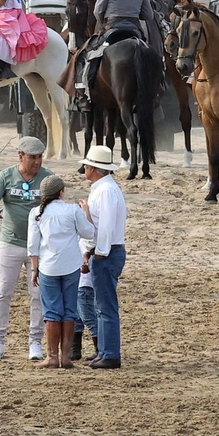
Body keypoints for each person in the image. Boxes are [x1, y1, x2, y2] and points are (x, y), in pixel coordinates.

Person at [0, 136, 51, 361]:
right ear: (21, 156)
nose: (37, 162)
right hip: (10, 241)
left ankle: (35, 341)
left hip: (39, 246)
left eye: (40, 157)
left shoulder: (48, 179)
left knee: (38, 294)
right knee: (3, 291)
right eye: (32, 157)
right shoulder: (6, 175)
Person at [27, 173, 96, 370]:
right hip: (71, 265)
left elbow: (32, 245)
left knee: (51, 311)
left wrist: (34, 269)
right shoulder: (72, 210)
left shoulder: (36, 213)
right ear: (61, 192)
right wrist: (86, 212)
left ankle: (52, 356)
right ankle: (66, 357)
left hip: (48, 266)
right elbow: (89, 233)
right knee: (69, 311)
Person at [80, 0, 157, 106]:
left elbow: (97, 11)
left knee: (89, 56)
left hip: (112, 29)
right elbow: (148, 15)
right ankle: (158, 88)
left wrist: (103, 24)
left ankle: (84, 93)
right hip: (135, 30)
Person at [79, 144, 128, 369]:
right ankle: (104, 351)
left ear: (94, 168)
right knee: (101, 304)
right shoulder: (104, 188)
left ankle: (109, 353)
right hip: (105, 251)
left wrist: (99, 252)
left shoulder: (105, 191)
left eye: (87, 166)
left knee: (105, 306)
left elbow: (105, 226)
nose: (85, 169)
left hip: (106, 253)